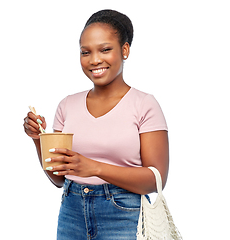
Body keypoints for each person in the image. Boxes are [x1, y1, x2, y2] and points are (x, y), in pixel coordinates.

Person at [24, 9, 169, 240]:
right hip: (71, 213)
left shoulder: (144, 105)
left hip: (124, 214)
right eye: (85, 52)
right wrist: (38, 140)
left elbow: (156, 179)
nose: (94, 60)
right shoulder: (67, 105)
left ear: (125, 50)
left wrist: (94, 168)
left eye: (105, 49)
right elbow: (58, 179)